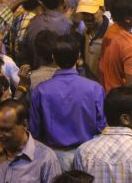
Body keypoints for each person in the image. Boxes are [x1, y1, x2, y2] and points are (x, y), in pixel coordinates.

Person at [30, 35, 106, 171]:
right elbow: (102, 126)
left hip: (53, 156)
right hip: (88, 154)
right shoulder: (95, 89)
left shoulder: (41, 91)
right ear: (78, 56)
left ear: (53, 57)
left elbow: (35, 131)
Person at [99, 0, 132, 91]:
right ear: (127, 19)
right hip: (120, 97)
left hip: (106, 93)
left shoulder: (111, 30)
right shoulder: (131, 46)